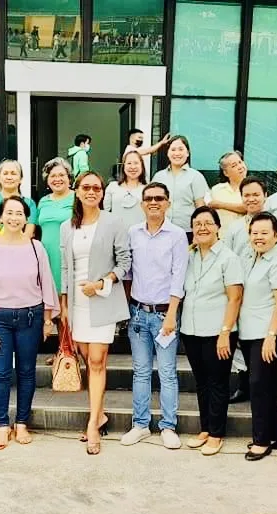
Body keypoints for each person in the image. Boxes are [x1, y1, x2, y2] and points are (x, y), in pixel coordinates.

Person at [0, 196, 59, 450]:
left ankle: (21, 423)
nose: (14, 218)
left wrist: (47, 320)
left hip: (30, 317)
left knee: (27, 371)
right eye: (9, 213)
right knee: (0, 372)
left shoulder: (36, 247)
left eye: (19, 213)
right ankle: (1, 425)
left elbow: (46, 284)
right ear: (0, 217)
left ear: (26, 218)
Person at [59, 171, 131, 455]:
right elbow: (65, 267)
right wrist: (64, 303)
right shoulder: (67, 226)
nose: (91, 192)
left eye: (97, 188)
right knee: (88, 360)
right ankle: (99, 414)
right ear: (77, 191)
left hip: (102, 300)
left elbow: (124, 262)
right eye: (86, 187)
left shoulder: (114, 222)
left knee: (98, 360)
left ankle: (92, 426)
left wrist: (102, 283)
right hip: (77, 304)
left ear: (102, 192)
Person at [121, 182, 189, 450]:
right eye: (148, 198)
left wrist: (171, 315)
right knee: (140, 372)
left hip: (164, 315)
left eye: (159, 198)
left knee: (168, 372)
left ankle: (168, 426)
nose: (153, 202)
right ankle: (140, 424)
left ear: (168, 203)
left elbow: (178, 277)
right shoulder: (133, 233)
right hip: (138, 313)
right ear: (142, 204)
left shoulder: (177, 235)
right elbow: (128, 273)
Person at [180, 207, 243, 456]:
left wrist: (225, 332)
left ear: (218, 227)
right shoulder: (189, 256)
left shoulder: (229, 258)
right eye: (197, 223)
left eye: (208, 223)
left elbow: (235, 298)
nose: (202, 227)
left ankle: (217, 434)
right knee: (202, 382)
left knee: (217, 383)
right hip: (191, 329)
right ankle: (205, 429)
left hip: (218, 331)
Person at [239, 212, 277, 461]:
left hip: (266, 333)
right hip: (248, 331)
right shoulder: (250, 258)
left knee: (258, 386)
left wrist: (272, 335)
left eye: (264, 233)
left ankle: (261, 440)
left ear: (276, 236)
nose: (259, 237)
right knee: (265, 385)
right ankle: (275, 435)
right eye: (254, 233)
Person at [152, 135, 209, 239]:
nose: (177, 153)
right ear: (168, 153)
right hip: (161, 230)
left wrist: (199, 233)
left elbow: (201, 207)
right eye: (173, 149)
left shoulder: (196, 176)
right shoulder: (158, 176)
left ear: (187, 153)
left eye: (181, 149)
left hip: (187, 231)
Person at [36, 157, 76, 293]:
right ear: (47, 180)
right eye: (52, 176)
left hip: (69, 255)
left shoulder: (78, 198)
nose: (57, 179)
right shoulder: (43, 201)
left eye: (61, 175)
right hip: (46, 255)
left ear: (69, 178)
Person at [0, 159, 37, 241]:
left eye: (13, 173)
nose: (9, 177)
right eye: (5, 173)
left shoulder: (29, 203)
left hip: (20, 247)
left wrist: (14, 244)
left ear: (21, 179)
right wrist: (5, 242)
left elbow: (29, 232)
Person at [104, 150, 147, 231]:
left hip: (141, 235)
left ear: (142, 166)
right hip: (116, 235)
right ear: (123, 166)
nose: (133, 167)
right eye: (129, 163)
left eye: (136, 163)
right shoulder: (112, 186)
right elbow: (106, 213)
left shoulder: (147, 189)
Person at [210, 151, 249, 231]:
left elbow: (247, 208)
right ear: (226, 173)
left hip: (244, 236)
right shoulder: (216, 190)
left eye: (240, 162)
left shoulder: (252, 187)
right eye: (234, 165)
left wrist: (220, 205)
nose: (240, 167)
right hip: (222, 235)